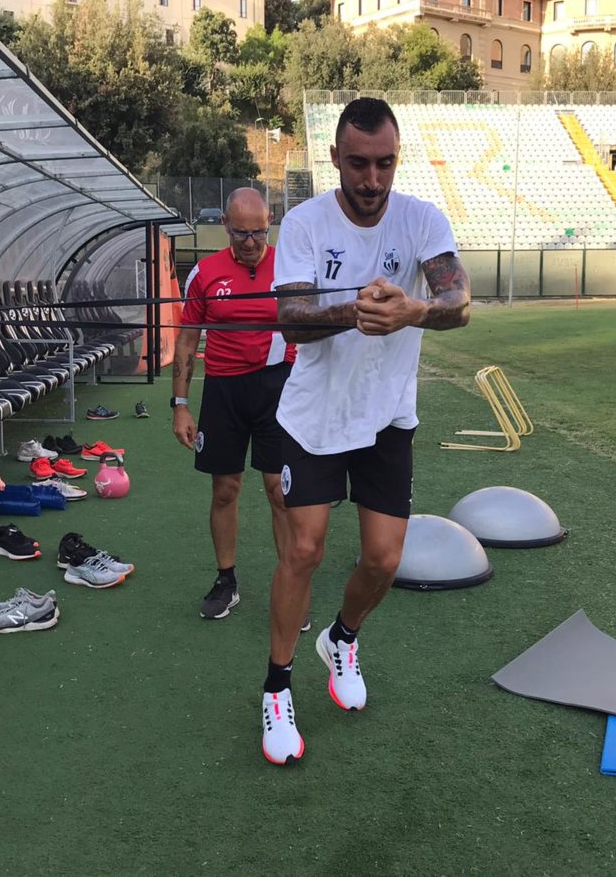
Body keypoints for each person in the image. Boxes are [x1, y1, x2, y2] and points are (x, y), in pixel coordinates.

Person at [259, 98, 471, 765]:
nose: (372, 179)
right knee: (304, 551)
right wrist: (354, 311)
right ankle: (276, 688)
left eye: (385, 164)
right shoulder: (304, 222)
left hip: (387, 416)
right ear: (335, 159)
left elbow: (458, 301)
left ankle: (342, 638)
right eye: (358, 164)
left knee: (383, 559)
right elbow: (290, 319)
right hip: (315, 417)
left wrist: (415, 310)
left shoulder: (422, 219)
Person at [172, 187, 305, 624]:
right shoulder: (205, 273)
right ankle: (226, 578)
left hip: (277, 388)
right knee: (225, 489)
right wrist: (180, 404)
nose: (251, 243)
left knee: (279, 491)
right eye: (241, 233)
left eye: (259, 233)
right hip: (224, 391)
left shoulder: (289, 268)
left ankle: (291, 586)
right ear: (225, 226)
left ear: (270, 224)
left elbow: (313, 331)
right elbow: (187, 340)